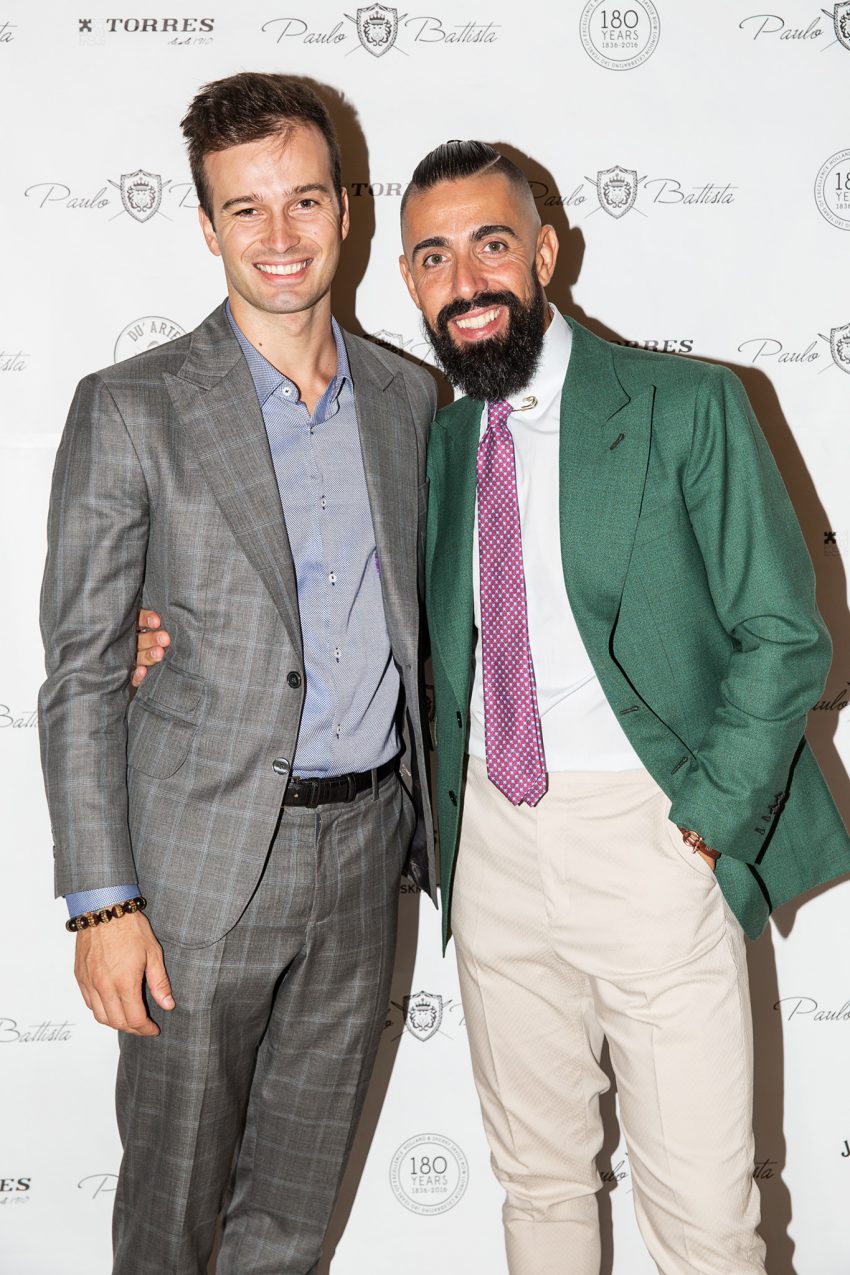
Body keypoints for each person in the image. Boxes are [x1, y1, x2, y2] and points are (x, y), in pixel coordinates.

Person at [398, 141, 850, 1273]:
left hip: (650, 838)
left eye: (491, 244)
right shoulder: (440, 443)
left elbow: (785, 633)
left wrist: (704, 823)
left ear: (545, 252)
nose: (466, 281)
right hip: (491, 850)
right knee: (538, 1188)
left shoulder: (684, 404)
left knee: (704, 1222)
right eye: (434, 257)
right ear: (409, 279)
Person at [38, 73, 436, 1275]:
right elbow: (80, 675)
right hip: (195, 876)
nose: (280, 234)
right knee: (172, 1215)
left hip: (366, 859)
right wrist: (102, 903)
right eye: (245, 208)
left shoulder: (411, 402)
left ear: (346, 211)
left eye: (303, 199)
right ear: (208, 228)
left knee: (294, 1219)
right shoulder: (132, 408)